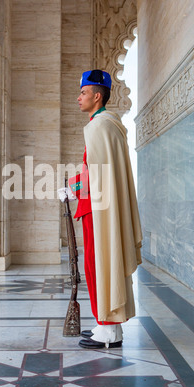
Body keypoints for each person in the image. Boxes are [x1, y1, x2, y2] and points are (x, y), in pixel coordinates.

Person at [58, 69, 142, 349]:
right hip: (98, 208)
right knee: (101, 265)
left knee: (99, 266)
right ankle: (106, 324)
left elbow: (96, 174)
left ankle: (108, 330)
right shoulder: (108, 124)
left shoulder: (99, 126)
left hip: (98, 211)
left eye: (83, 92)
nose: (78, 97)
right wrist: (76, 187)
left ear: (97, 95)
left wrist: (73, 189)